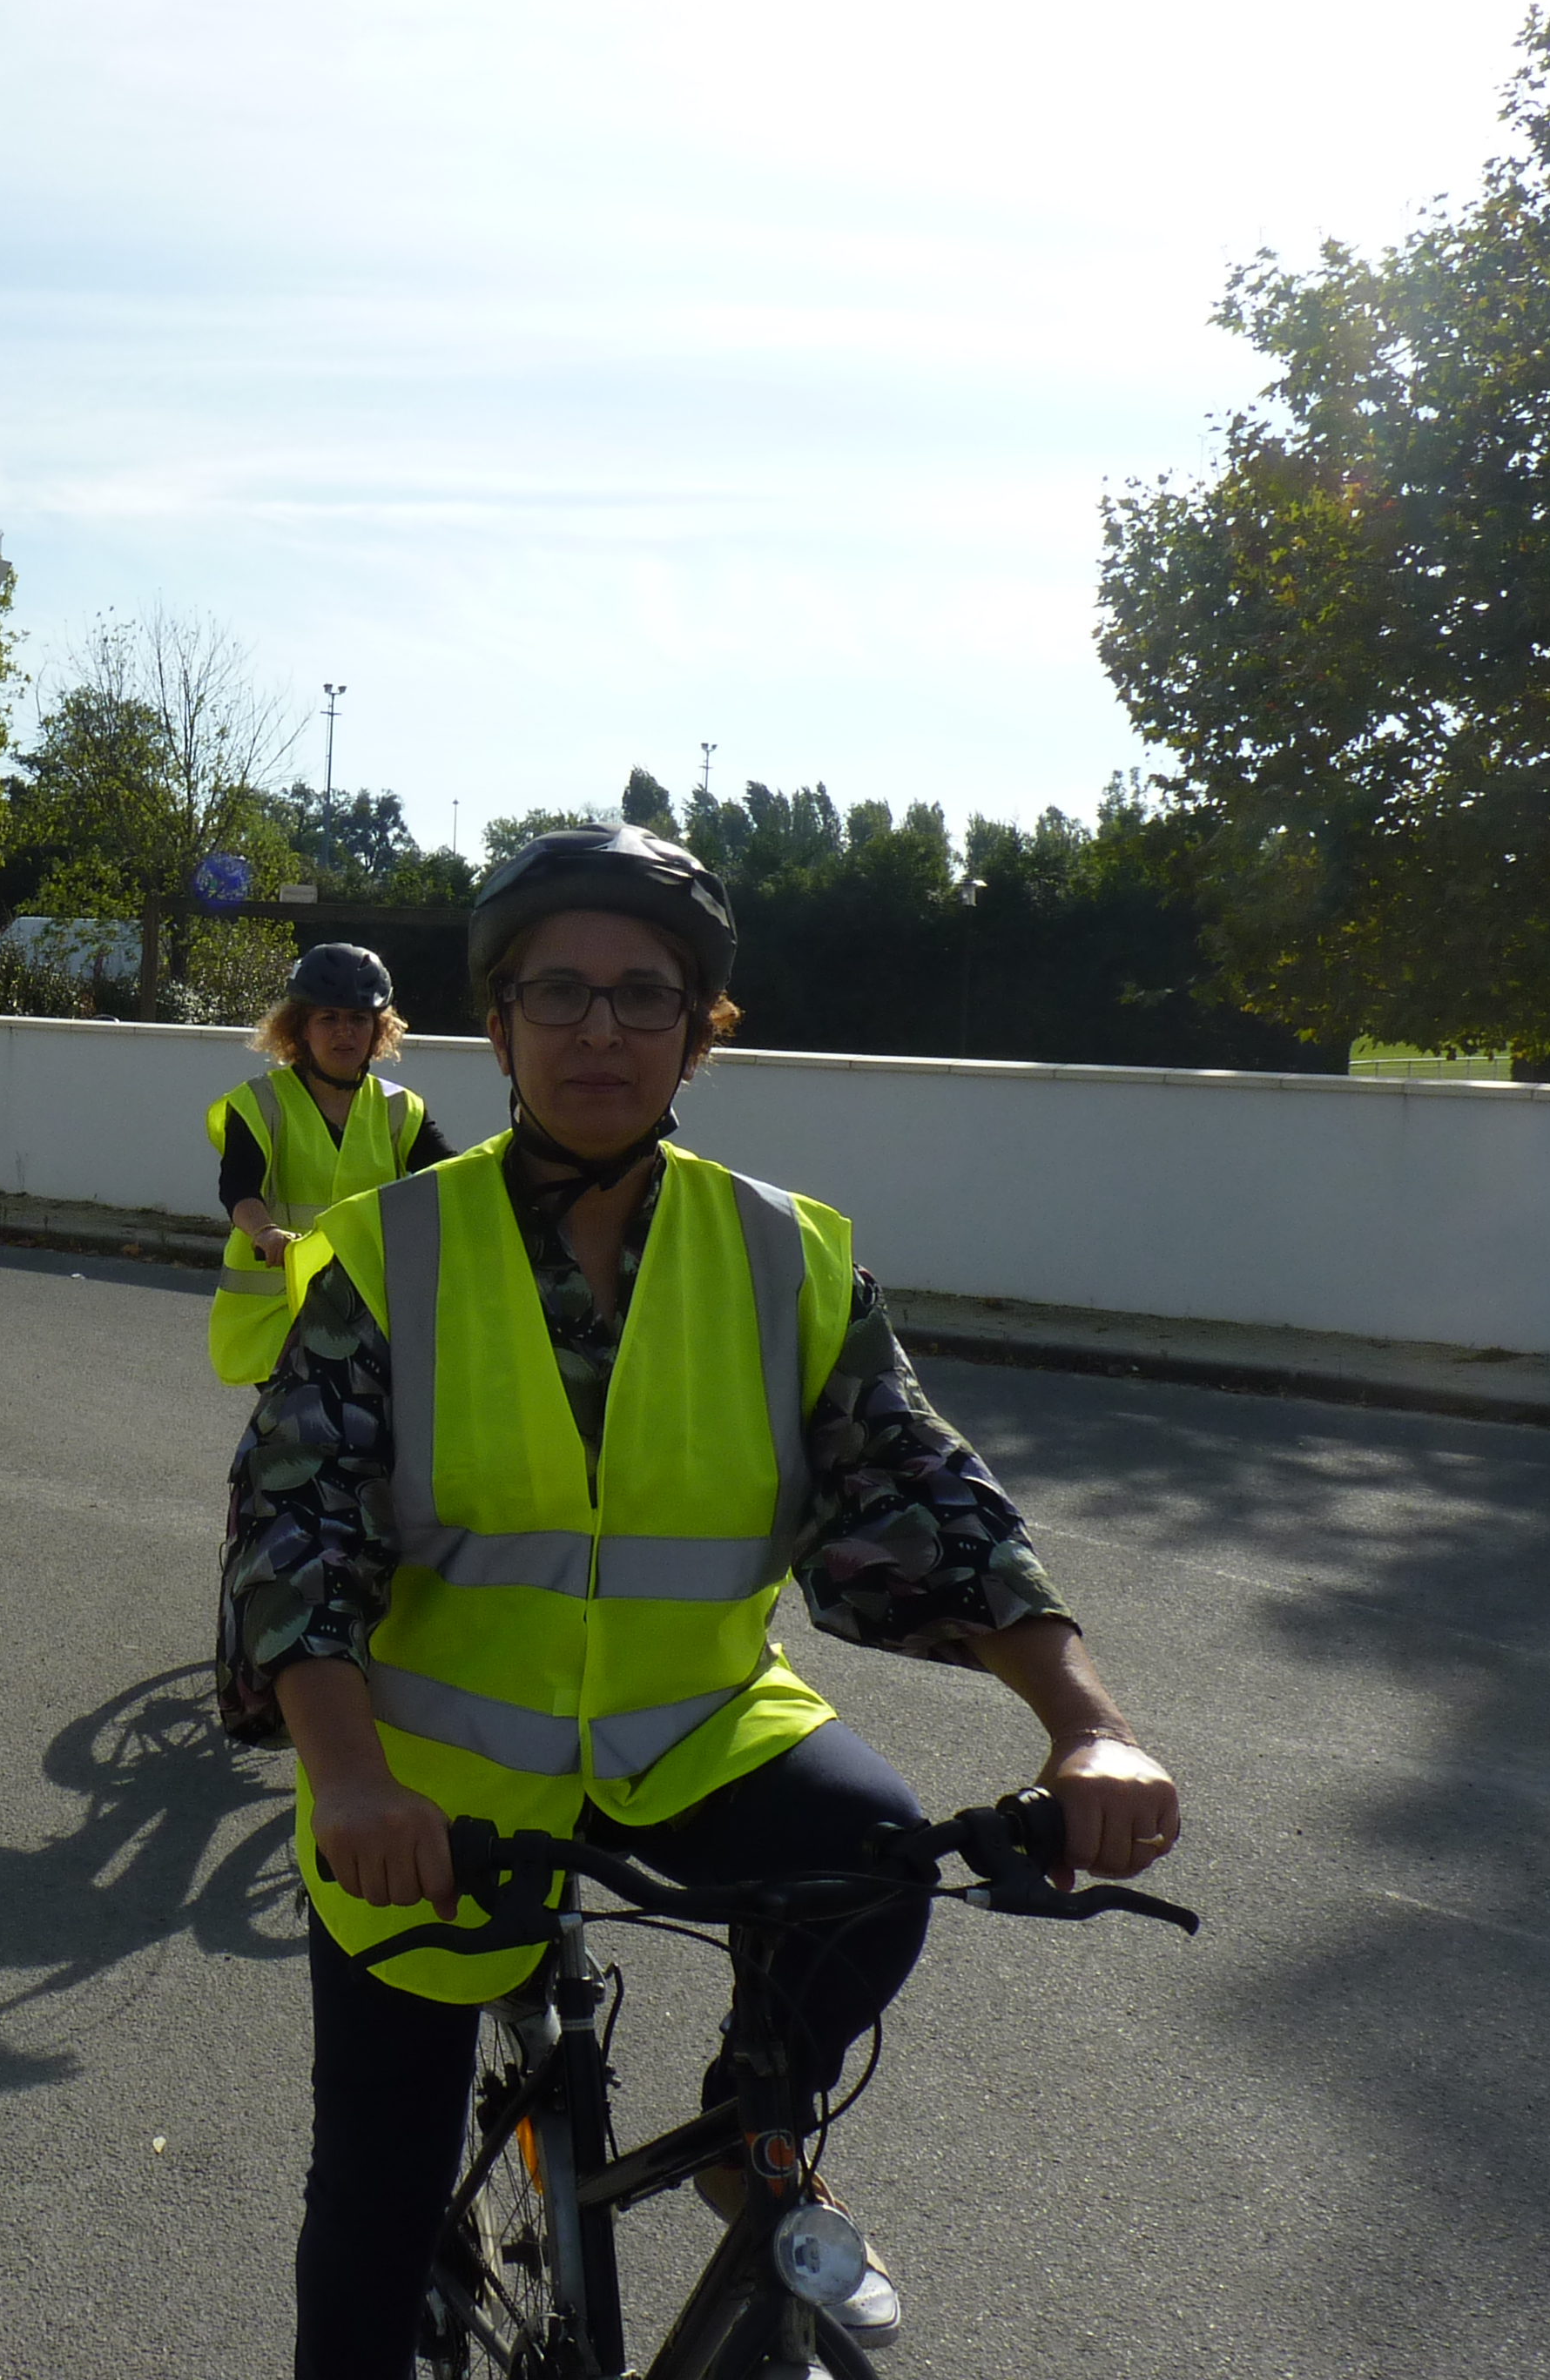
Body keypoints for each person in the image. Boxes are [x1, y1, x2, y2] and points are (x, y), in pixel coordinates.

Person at [218, 825, 1183, 2378]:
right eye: (561, 994)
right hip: (429, 1788)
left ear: (699, 1029)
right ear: (502, 1024)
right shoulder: (391, 1252)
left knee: (875, 1858)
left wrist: (1089, 1730)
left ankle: (754, 2124)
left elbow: (923, 1492)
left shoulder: (780, 1255)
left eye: (644, 996)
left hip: (696, 1730)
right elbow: (295, 1530)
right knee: (377, 2203)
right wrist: (348, 1775)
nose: (600, 1029)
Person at [204, 943, 452, 1385]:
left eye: (359, 1019)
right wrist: (264, 1232)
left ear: (379, 1031)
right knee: (306, 1433)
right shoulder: (261, 1102)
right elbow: (238, 1187)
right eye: (329, 1018)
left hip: (366, 1308)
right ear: (300, 1029)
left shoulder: (400, 1108)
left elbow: (451, 1176)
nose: (345, 1032)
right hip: (276, 1316)